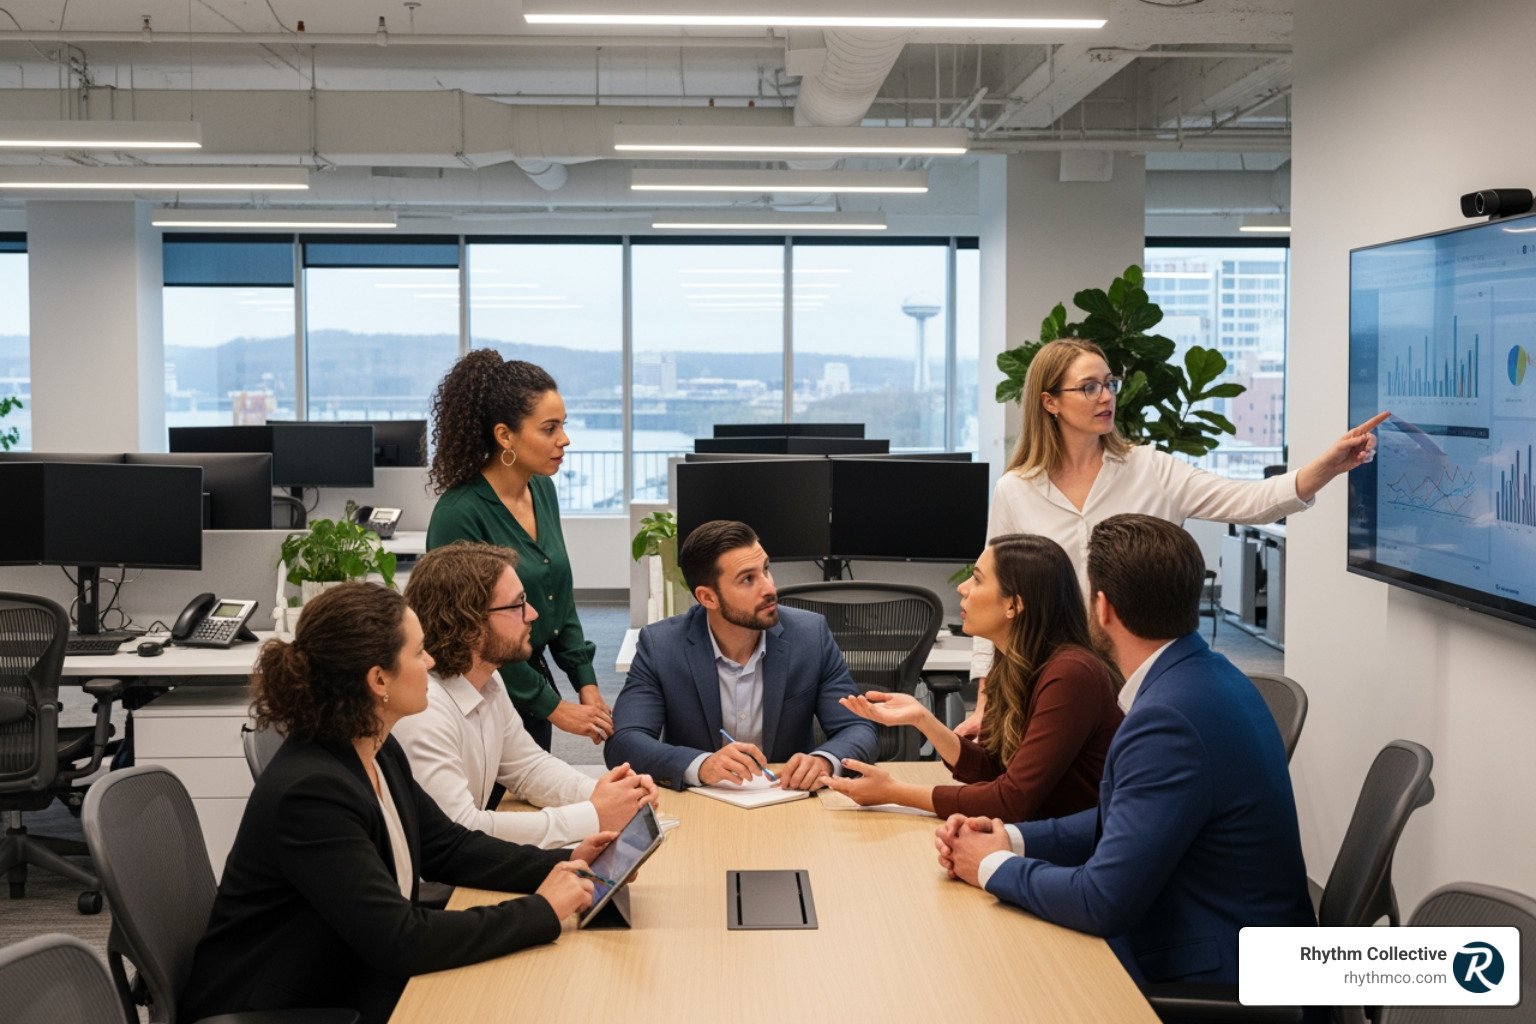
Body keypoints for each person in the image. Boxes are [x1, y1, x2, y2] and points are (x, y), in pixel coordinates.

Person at [180, 583, 614, 1024]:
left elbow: (448, 847)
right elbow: (401, 941)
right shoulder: (311, 793)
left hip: (348, 973)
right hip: (287, 1007)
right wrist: (542, 910)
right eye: (419, 652)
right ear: (378, 680)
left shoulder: (375, 748)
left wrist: (565, 862)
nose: (431, 662)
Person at [937, 514, 1316, 990]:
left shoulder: (1167, 720)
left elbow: (1101, 902)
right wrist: (1010, 840)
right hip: (1241, 938)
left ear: (1102, 607)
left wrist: (991, 867)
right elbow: (1117, 817)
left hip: (1225, 972)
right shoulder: (1213, 676)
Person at [958, 336, 1390, 737]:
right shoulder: (1016, 489)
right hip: (1051, 682)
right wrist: (986, 701)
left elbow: (1250, 501)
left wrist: (1327, 467)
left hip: (1144, 678)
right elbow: (993, 597)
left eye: (1109, 383)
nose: (1107, 396)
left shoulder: (1150, 468)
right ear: (1050, 402)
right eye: (1089, 387)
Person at [821, 533, 1122, 821]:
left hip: (1077, 854)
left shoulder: (1072, 675)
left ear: (1013, 605)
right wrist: (923, 720)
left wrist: (895, 792)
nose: (962, 588)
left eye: (977, 579)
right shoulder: (1011, 665)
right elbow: (992, 770)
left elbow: (1011, 801)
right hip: (1034, 836)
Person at [394, 541, 658, 848]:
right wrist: (594, 815)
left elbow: (528, 768)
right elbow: (461, 829)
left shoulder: (489, 680)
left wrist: (608, 794)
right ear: (470, 626)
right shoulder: (424, 711)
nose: (532, 614)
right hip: (435, 887)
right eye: (517, 604)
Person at [426, 349, 610, 752]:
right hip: (479, 693)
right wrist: (554, 706)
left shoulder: (541, 489)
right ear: (504, 435)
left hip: (529, 675)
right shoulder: (460, 515)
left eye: (563, 425)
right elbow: (471, 636)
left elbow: (557, 599)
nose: (564, 439)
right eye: (549, 429)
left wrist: (586, 682)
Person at [605, 520, 878, 791]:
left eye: (766, 570)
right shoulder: (661, 646)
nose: (770, 588)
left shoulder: (810, 636)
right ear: (707, 597)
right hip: (701, 802)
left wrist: (824, 761)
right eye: (748, 579)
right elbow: (624, 742)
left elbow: (857, 728)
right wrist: (700, 765)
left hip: (787, 798)